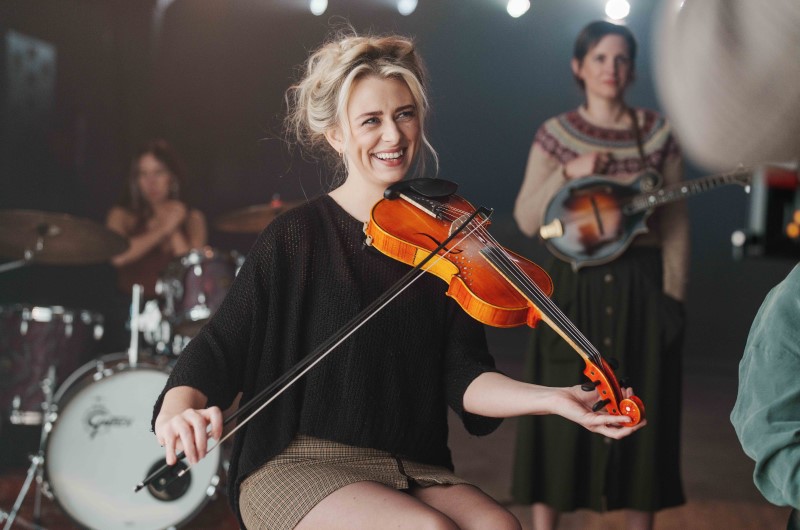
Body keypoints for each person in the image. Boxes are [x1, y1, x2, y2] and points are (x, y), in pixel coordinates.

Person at [151, 32, 644, 530]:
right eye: (371, 120)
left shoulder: (450, 239)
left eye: (404, 114)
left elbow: (464, 375)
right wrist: (179, 411)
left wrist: (552, 399)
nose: (393, 135)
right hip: (296, 460)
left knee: (500, 527)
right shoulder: (297, 236)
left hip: (410, 465)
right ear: (336, 135)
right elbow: (218, 348)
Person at [511, 20, 689, 530]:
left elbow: (676, 226)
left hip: (641, 285)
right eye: (600, 59)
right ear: (579, 66)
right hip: (571, 288)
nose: (611, 69)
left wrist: (672, 300)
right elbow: (527, 218)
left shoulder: (657, 134)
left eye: (621, 59)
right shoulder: (555, 134)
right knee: (560, 409)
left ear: (631, 69)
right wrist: (567, 171)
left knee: (643, 411)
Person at [106, 138, 207, 299]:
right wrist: (163, 229)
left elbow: (191, 273)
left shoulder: (193, 218)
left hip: (177, 308)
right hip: (130, 308)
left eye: (158, 172)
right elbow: (118, 257)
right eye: (143, 174)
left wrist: (174, 226)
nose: (151, 182)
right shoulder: (121, 214)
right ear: (136, 181)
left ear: (172, 178)